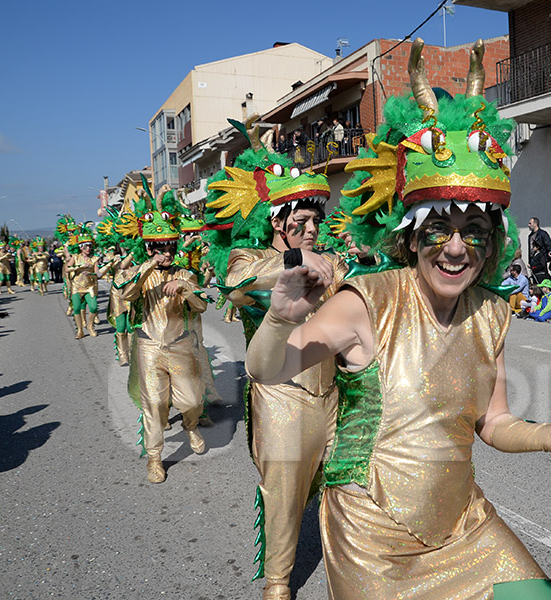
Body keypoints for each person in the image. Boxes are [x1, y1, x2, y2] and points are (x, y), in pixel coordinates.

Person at [247, 39, 551, 599]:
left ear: (492, 240)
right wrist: (280, 319)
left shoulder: (492, 313)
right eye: (439, 230)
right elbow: (268, 369)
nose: (456, 248)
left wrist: (549, 435)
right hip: (371, 530)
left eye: (473, 232)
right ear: (411, 235)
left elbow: (492, 424)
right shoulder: (369, 299)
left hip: (463, 525)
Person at [204, 118, 347, 600]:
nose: (311, 231)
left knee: (345, 485)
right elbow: (237, 281)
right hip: (280, 395)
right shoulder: (250, 259)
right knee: (284, 496)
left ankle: (350, 568)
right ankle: (278, 583)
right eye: (300, 224)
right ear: (277, 225)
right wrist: (294, 266)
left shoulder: (332, 259)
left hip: (334, 395)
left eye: (315, 222)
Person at [114, 190, 208, 484]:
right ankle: (155, 458)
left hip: (180, 346)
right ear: (149, 248)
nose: (166, 253)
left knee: (192, 400)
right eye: (159, 248)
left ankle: (191, 425)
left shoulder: (184, 274)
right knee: (154, 404)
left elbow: (202, 305)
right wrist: (145, 270)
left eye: (169, 247)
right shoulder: (142, 273)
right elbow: (126, 295)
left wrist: (186, 288)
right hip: (149, 348)